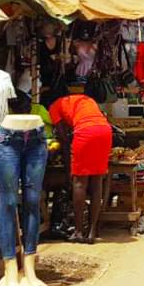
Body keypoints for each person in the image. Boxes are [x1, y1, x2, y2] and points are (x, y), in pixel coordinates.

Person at [48, 92, 113, 244]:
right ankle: (92, 231)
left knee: (79, 182)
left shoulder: (54, 107)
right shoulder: (85, 99)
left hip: (85, 132)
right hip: (104, 130)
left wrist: (68, 166)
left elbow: (63, 138)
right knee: (97, 181)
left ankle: (78, 231)